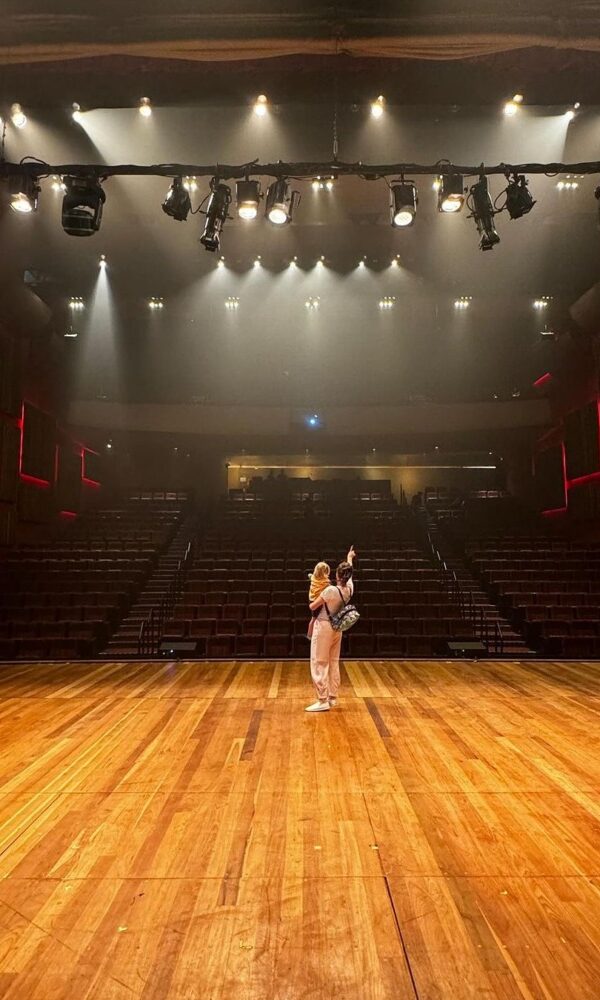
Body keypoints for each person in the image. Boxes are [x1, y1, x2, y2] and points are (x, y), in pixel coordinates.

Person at [305, 546, 356, 713]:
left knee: (319, 661)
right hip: (337, 627)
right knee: (334, 661)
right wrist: (349, 558)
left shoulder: (330, 590)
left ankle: (322, 699)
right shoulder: (349, 590)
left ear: (336, 575)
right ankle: (332, 696)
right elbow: (350, 576)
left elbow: (312, 605)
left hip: (324, 626)